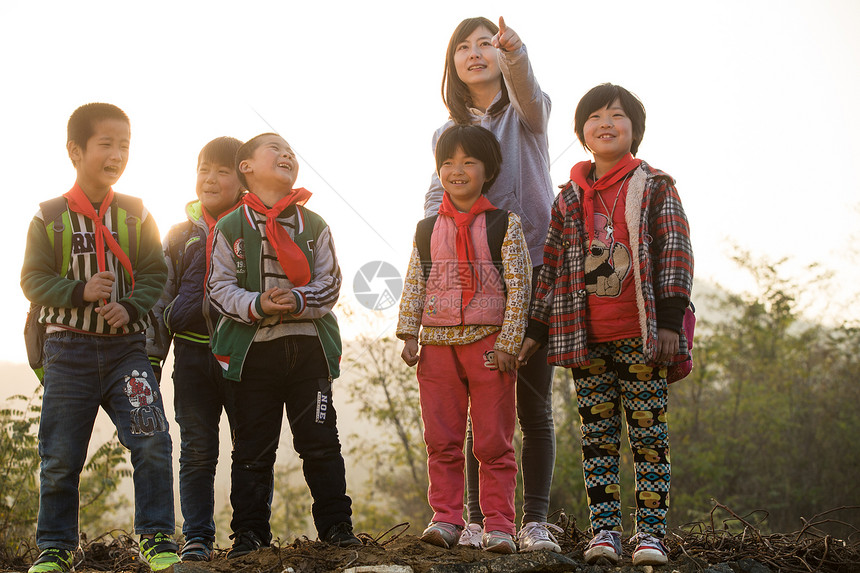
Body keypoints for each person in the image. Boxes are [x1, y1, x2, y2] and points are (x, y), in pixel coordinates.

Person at [519, 83, 694, 566]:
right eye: (594, 117)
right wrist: (536, 331)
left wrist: (669, 321)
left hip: (642, 337)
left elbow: (676, 252)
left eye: (617, 116)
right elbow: (550, 269)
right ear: (581, 134)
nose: (605, 124)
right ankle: (605, 534)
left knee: (648, 437)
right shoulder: (569, 198)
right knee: (597, 439)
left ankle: (651, 536)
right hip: (585, 339)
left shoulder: (655, 185)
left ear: (634, 129)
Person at [20, 103, 177, 573]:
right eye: (105, 144)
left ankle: (156, 539)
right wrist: (80, 291)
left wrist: (128, 307)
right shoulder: (49, 217)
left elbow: (154, 272)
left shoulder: (135, 213)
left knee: (152, 441)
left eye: (124, 145)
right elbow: (32, 279)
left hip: (128, 351)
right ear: (75, 150)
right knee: (61, 455)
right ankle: (54, 547)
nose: (116, 154)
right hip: (67, 352)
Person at [423, 16, 559, 553]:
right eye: (464, 46)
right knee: (482, 406)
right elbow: (437, 197)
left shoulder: (528, 115)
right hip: (472, 282)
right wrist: (429, 254)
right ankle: (481, 520)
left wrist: (517, 51)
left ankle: (536, 520)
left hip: (535, 267)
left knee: (533, 402)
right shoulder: (446, 134)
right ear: (451, 64)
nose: (475, 52)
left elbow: (529, 91)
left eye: (486, 44)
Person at [206, 132, 361, 557]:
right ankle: (250, 534)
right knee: (253, 450)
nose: (286, 154)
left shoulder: (314, 225)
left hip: (309, 351)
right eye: (274, 148)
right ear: (247, 167)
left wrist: (298, 298)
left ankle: (336, 527)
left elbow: (330, 282)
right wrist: (256, 303)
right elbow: (217, 287)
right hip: (254, 355)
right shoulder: (229, 228)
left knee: (321, 442)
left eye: (290, 151)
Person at [399, 124, 531, 554]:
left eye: (468, 161)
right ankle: (446, 518)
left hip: (489, 344)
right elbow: (415, 283)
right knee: (441, 438)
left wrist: (510, 341)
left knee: (494, 439)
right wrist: (408, 335)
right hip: (436, 347)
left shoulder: (503, 225)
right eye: (447, 162)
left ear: (488, 169)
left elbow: (519, 285)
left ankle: (499, 523)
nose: (456, 170)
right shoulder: (425, 230)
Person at [146, 136, 245, 561]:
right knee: (197, 450)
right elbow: (160, 297)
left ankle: (249, 537)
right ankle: (198, 538)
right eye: (204, 169)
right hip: (190, 355)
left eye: (223, 171)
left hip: (244, 354)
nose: (210, 178)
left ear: (244, 179)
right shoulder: (179, 234)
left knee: (250, 449)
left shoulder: (254, 230)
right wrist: (152, 357)